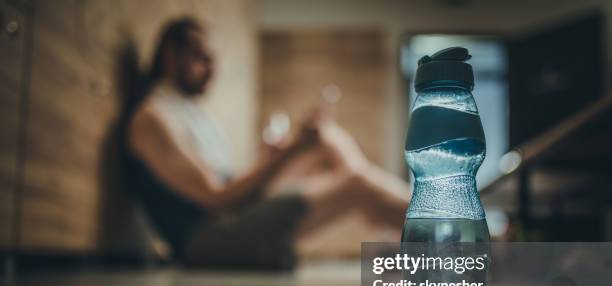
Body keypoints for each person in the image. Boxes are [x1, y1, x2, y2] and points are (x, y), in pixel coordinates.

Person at [125, 18, 411, 269]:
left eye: (213, 59)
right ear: (170, 57)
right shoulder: (152, 118)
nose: (212, 70)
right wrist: (291, 151)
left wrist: (274, 157)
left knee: (327, 142)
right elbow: (214, 197)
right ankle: (441, 228)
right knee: (356, 183)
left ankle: (392, 219)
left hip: (228, 219)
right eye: (202, 59)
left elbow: (225, 185)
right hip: (206, 240)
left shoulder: (186, 112)